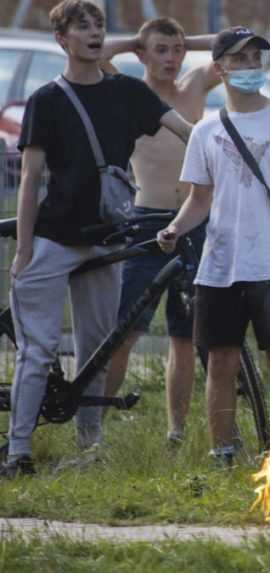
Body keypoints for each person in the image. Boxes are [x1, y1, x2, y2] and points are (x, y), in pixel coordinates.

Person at [2, 0, 192, 478]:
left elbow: (186, 131)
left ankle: (91, 445)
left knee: (97, 348)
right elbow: (30, 178)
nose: (93, 32)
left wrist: (224, 153)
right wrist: (23, 249)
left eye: (99, 25)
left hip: (107, 238)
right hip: (52, 238)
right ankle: (18, 450)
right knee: (38, 348)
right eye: (81, 26)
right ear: (62, 40)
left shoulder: (128, 93)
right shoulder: (46, 99)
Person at [156, 26, 270, 466]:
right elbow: (200, 198)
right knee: (220, 364)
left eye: (256, 58)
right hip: (220, 265)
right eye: (240, 59)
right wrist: (176, 229)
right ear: (219, 69)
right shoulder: (204, 131)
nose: (251, 66)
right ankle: (223, 452)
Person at [100, 18, 220, 447]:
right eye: (161, 51)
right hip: (148, 221)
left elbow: (235, 41)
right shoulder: (133, 92)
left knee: (184, 336)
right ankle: (91, 429)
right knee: (126, 331)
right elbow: (92, 53)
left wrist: (188, 39)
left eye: (177, 50)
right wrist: (137, 40)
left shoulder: (193, 88)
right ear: (143, 55)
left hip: (195, 220)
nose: (171, 58)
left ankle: (176, 431)